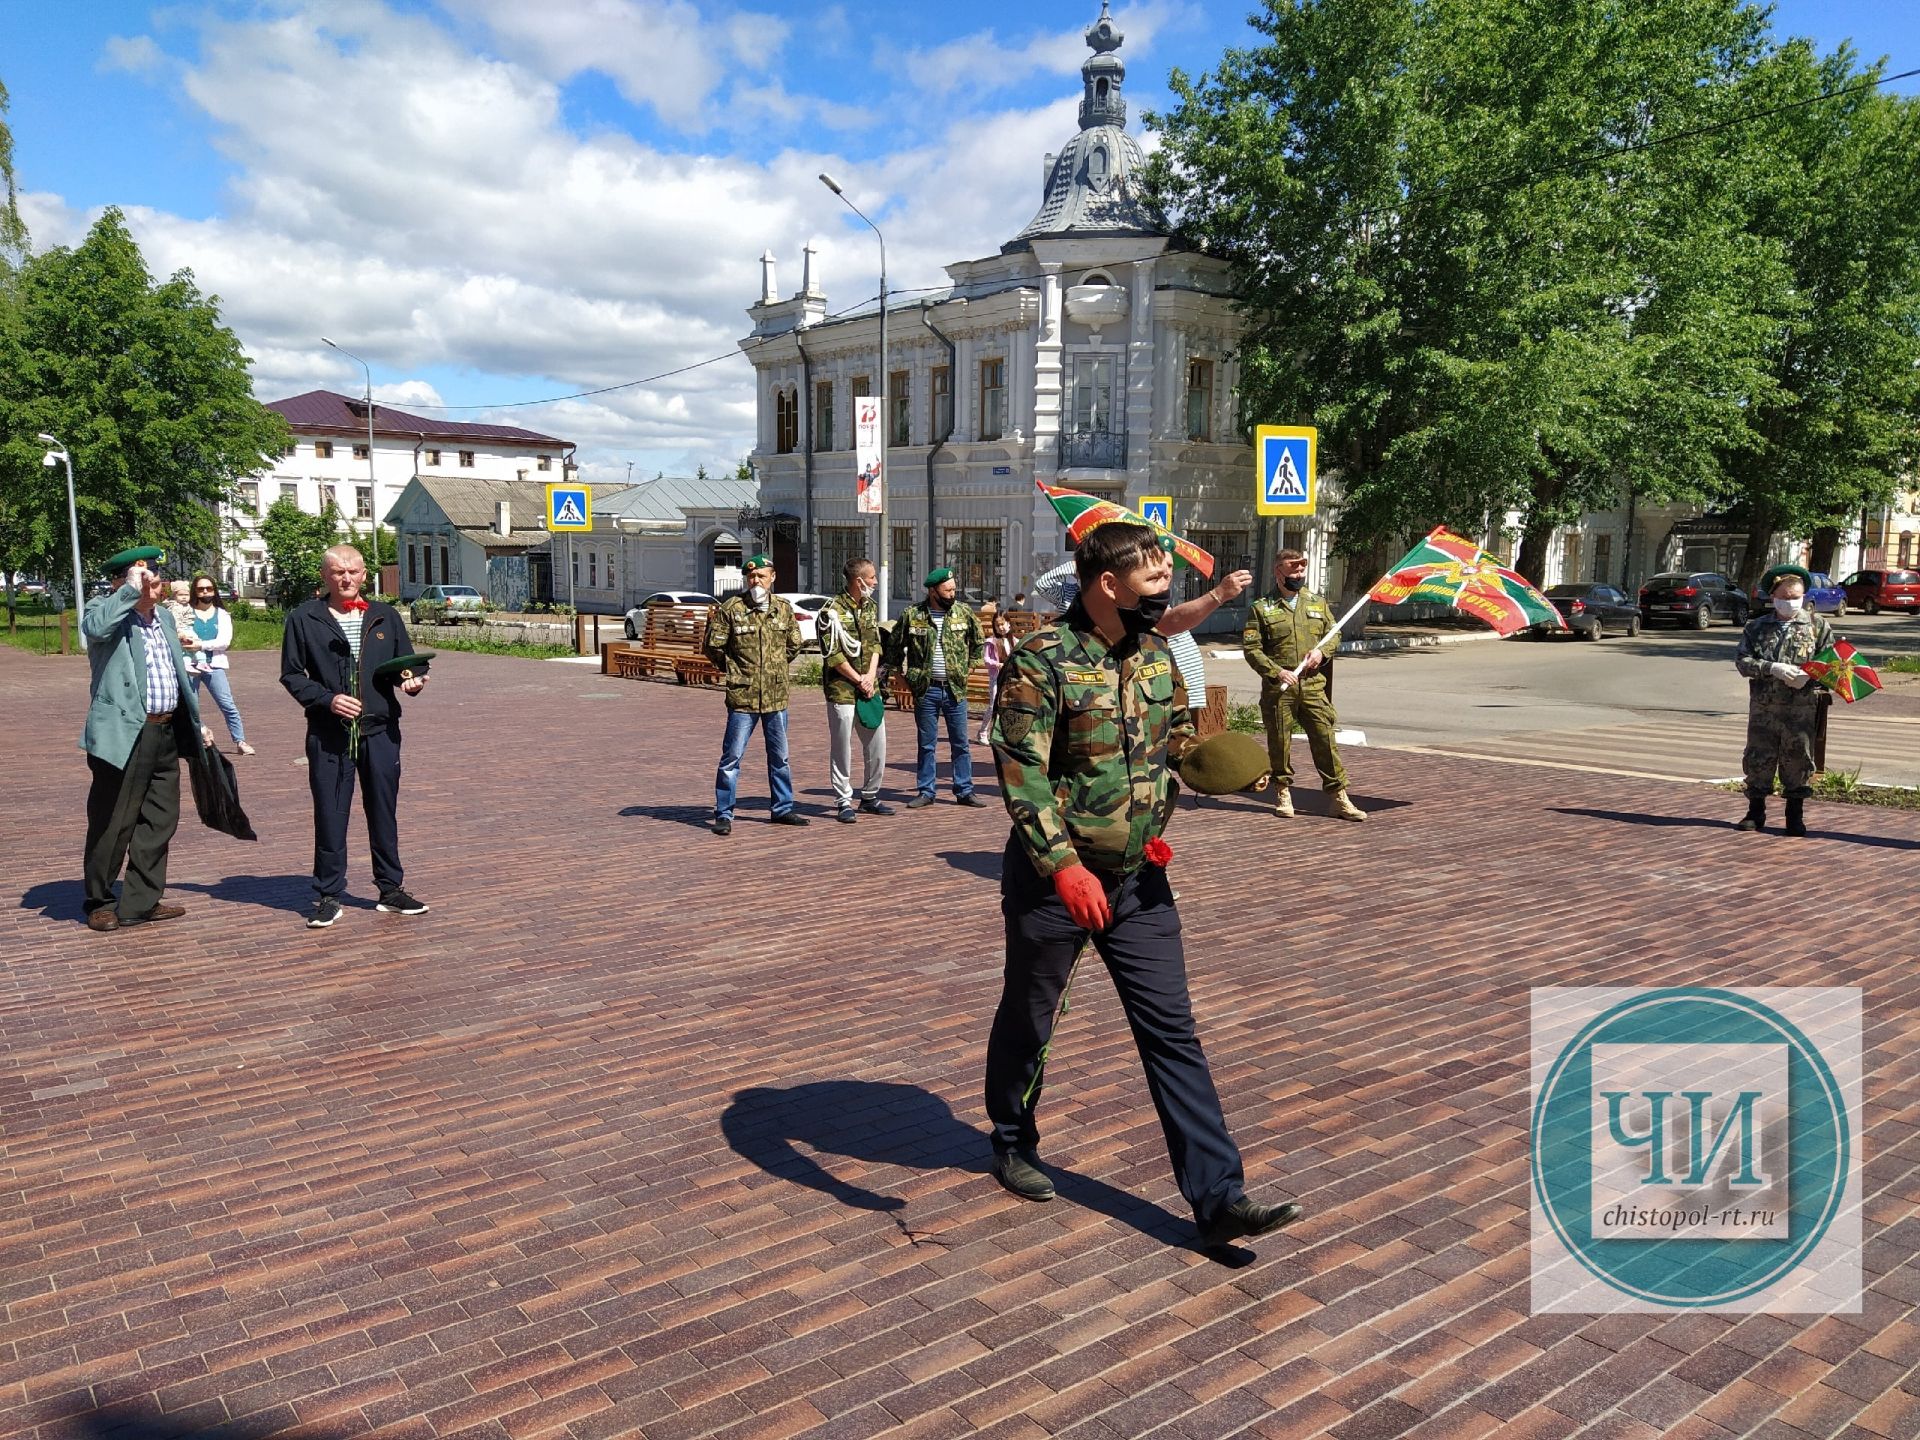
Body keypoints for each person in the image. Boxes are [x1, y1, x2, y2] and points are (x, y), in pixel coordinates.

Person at [983, 520, 1302, 1248]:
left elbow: (1173, 742)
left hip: (1139, 879)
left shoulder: (1160, 656)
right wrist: (1062, 868)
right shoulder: (1042, 661)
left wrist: (1218, 758)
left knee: (1172, 1033)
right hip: (1053, 880)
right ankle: (1010, 1137)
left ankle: (1220, 1197)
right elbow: (1022, 773)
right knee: (1032, 1020)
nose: (1168, 593)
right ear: (1107, 584)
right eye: (1155, 580)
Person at [281, 544, 431, 928]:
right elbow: (292, 674)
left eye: (352, 571)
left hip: (380, 731)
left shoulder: (385, 616)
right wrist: (327, 700)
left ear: (365, 575)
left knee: (383, 810)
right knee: (331, 813)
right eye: (337, 572)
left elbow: (404, 666)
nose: (345, 578)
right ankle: (328, 894)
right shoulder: (304, 618)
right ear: (325, 576)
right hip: (329, 735)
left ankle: (390, 889)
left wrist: (412, 682)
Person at [78, 546, 205, 932]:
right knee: (113, 819)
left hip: (165, 730)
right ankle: (100, 900)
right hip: (125, 733)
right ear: (123, 581)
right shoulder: (105, 612)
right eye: (146, 577)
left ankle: (141, 901)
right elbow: (94, 629)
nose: (156, 584)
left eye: (155, 577)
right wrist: (128, 593)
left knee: (160, 820)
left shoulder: (164, 617)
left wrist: (195, 721)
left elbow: (175, 673)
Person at [1030, 553, 1251, 702]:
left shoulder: (1152, 601)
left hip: (1181, 681)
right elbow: (1172, 622)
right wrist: (1218, 595)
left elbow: (1171, 622)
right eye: (1159, 567)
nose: (1166, 572)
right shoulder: (1075, 607)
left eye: (1170, 566)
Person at [1243, 549, 1364, 822]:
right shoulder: (1262, 608)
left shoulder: (1317, 603)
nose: (1298, 575)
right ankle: (1283, 792)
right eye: (1292, 571)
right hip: (1280, 689)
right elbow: (1252, 649)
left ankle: (1338, 796)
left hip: (1312, 686)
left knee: (1324, 739)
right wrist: (1276, 672)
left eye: (1301, 571)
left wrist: (1322, 653)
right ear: (1278, 572)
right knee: (1280, 742)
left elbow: (1333, 635)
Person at [704, 553, 807, 836]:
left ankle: (782, 808)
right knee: (731, 758)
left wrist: (773, 668)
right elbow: (713, 646)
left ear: (773, 577)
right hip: (743, 697)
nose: (756, 580)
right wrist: (735, 669)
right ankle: (724, 813)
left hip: (775, 696)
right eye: (751, 576)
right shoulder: (732, 608)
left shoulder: (783, 609)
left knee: (780, 757)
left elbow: (794, 644)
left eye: (761, 575)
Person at [1734, 564, 1835, 837]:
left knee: (1798, 759)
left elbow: (1832, 663)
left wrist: (1809, 675)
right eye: (1784, 596)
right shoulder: (1757, 627)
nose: (1790, 601)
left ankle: (1795, 814)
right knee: (1758, 758)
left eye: (1795, 596)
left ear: (1804, 596)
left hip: (1800, 709)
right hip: (1764, 709)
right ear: (1773, 596)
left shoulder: (1817, 626)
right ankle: (1756, 811)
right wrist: (1771, 668)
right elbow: (1743, 662)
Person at [890, 567, 987, 808]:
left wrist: (970, 667)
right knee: (926, 743)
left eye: (954, 589)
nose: (952, 594)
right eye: (947, 590)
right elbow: (893, 647)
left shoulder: (963, 612)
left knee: (961, 743)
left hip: (955, 690)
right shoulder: (913, 614)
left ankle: (964, 790)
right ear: (933, 591)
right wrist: (899, 676)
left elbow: (978, 641)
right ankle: (926, 791)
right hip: (926, 689)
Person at [819, 556, 893, 824]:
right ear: (859, 581)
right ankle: (843, 800)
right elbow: (833, 655)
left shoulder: (869, 607)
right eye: (872, 578)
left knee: (877, 744)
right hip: (842, 689)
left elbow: (875, 645)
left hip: (868, 687)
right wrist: (858, 678)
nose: (875, 582)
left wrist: (870, 677)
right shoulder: (831, 611)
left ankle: (870, 796)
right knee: (842, 747)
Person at [183, 574, 255, 756]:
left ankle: (240, 741)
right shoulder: (186, 613)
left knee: (227, 704)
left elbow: (224, 641)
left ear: (214, 591)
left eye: (208, 588)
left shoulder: (222, 615)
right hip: (190, 666)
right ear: (195, 591)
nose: (205, 592)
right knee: (190, 705)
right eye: (201, 589)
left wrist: (201, 645)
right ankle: (201, 733)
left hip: (214, 665)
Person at [978, 613, 1015, 744]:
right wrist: (996, 664)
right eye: (997, 625)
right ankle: (983, 731)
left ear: (1008, 623)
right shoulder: (991, 641)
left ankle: (1003, 734)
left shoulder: (1014, 641)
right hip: (997, 676)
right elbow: (986, 659)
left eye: (1002, 624)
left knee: (1009, 706)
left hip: (1010, 678)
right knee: (993, 704)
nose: (1001, 627)